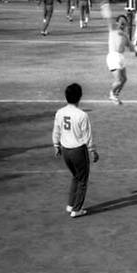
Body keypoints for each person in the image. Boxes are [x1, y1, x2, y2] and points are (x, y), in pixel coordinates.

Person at [52, 82, 99, 218]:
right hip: (78, 151)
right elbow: (87, 135)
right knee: (83, 179)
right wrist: (92, 150)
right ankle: (76, 209)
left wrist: (56, 145)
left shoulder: (60, 112)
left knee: (76, 176)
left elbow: (56, 130)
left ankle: (71, 204)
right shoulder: (82, 115)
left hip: (66, 151)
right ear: (80, 97)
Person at [105, 12, 132, 104]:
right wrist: (105, 7)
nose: (122, 24)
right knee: (119, 80)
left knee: (124, 79)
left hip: (121, 57)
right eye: (120, 22)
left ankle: (115, 95)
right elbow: (108, 18)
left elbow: (131, 48)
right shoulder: (112, 30)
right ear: (117, 23)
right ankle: (111, 94)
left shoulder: (125, 35)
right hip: (113, 56)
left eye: (124, 23)